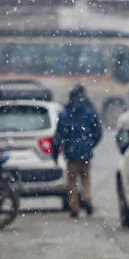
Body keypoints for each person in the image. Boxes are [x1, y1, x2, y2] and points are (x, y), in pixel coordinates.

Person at [52, 84, 102, 218]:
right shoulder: (89, 112)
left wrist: (55, 155)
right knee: (86, 178)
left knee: (72, 180)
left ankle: (74, 206)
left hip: (70, 153)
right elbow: (97, 132)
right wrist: (90, 144)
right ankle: (87, 198)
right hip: (85, 152)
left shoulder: (65, 114)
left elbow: (58, 136)